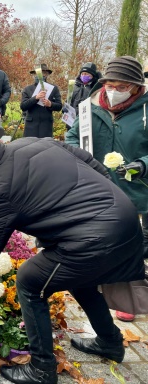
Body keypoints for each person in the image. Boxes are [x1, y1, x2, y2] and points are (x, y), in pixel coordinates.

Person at [0, 121, 144, 384]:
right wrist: (107, 200)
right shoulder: (33, 143)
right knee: (75, 277)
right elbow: (87, 161)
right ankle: (110, 342)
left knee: (30, 280)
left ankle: (41, 369)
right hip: (124, 219)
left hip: (96, 237)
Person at [66, 55, 148, 323]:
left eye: (121, 86)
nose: (113, 91)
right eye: (110, 85)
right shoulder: (90, 106)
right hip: (97, 185)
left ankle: (128, 295)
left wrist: (141, 165)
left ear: (136, 87)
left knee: (131, 240)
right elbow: (72, 136)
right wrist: (78, 157)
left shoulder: (146, 110)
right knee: (98, 235)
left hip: (136, 187)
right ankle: (93, 284)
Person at [21, 63, 62, 138]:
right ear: (34, 74)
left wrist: (50, 104)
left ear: (47, 74)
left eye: (44, 73)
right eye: (38, 73)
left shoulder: (53, 88)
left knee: (45, 147)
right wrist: (35, 98)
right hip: (31, 125)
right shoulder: (28, 89)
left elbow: (59, 106)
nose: (41, 75)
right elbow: (23, 106)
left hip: (46, 125)